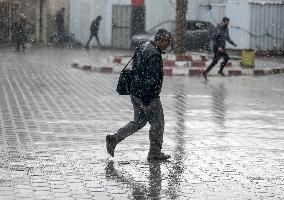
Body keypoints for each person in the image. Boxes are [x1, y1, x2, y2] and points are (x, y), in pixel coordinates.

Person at [106, 29, 172, 160]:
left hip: (135, 91)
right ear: (161, 40)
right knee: (158, 123)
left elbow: (137, 70)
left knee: (139, 122)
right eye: (167, 42)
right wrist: (146, 102)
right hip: (148, 96)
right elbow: (152, 80)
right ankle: (154, 152)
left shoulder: (143, 46)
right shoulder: (154, 55)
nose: (168, 45)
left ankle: (114, 139)